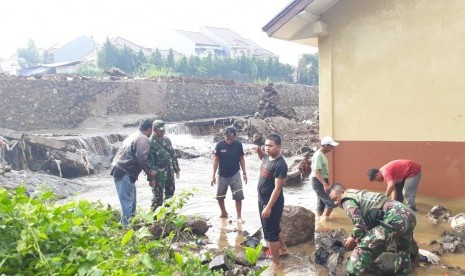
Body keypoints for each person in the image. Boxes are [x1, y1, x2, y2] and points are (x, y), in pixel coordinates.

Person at [328, 183, 416, 275]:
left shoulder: (346, 199)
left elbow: (359, 225)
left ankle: (351, 273)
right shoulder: (360, 194)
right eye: (333, 201)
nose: (336, 203)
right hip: (409, 215)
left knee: (362, 250)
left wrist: (353, 238)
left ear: (342, 191)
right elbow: (368, 225)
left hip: (395, 217)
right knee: (403, 252)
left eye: (335, 198)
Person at [110, 118, 156, 226]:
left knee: (131, 201)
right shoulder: (143, 138)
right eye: (152, 130)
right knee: (127, 203)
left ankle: (131, 224)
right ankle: (126, 228)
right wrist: (150, 172)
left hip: (119, 170)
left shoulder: (133, 135)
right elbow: (142, 156)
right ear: (149, 129)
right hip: (125, 171)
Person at [256, 134, 289, 269]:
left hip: (271, 203)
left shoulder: (280, 165)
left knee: (270, 233)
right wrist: (258, 149)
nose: (267, 148)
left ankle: (276, 263)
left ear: (279, 147)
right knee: (274, 227)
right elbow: (262, 157)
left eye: (270, 145)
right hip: (261, 199)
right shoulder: (266, 156)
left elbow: (277, 188)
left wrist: (268, 207)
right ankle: (284, 249)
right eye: (266, 145)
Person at [211, 127, 247, 220]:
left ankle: (239, 216)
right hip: (222, 174)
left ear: (234, 137)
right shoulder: (219, 145)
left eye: (231, 139)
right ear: (224, 137)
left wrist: (244, 173)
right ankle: (224, 212)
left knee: (238, 197)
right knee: (219, 196)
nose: (229, 141)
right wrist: (213, 176)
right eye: (227, 139)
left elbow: (242, 159)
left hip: (235, 174)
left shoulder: (238, 145)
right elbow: (216, 161)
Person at [148, 120, 180, 210]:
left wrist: (177, 169)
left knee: (170, 194)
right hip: (159, 175)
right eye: (160, 130)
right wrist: (152, 179)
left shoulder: (167, 140)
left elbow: (173, 154)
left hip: (170, 172)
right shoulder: (150, 143)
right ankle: (153, 219)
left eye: (163, 130)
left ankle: (168, 215)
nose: (162, 132)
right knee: (158, 198)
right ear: (154, 129)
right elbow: (151, 162)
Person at [310, 136, 339, 221]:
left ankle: (318, 219)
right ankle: (324, 221)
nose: (332, 148)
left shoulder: (323, 154)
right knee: (330, 204)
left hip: (322, 180)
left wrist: (327, 181)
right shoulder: (318, 155)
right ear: (326, 145)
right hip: (318, 181)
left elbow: (323, 171)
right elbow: (316, 171)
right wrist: (324, 184)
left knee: (321, 204)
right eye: (331, 146)